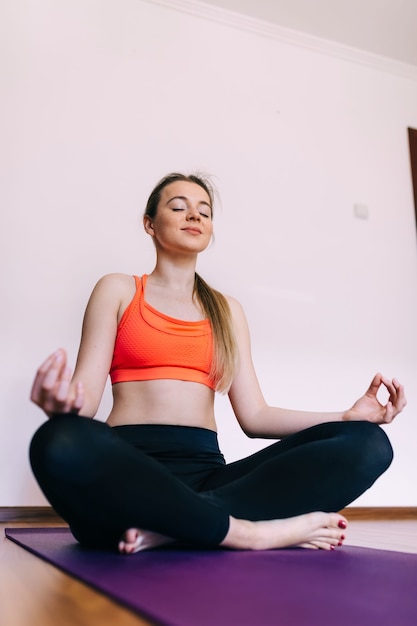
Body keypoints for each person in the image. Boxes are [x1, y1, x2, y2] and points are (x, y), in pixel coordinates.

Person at [29, 172, 406, 555]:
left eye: (204, 212)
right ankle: (249, 532)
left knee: (368, 443)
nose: (194, 216)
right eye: (179, 207)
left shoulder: (227, 311)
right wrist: (62, 405)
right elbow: (86, 400)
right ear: (150, 224)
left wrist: (344, 418)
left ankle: (182, 524)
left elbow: (256, 416)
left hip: (209, 478)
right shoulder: (118, 289)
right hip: (129, 469)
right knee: (57, 440)